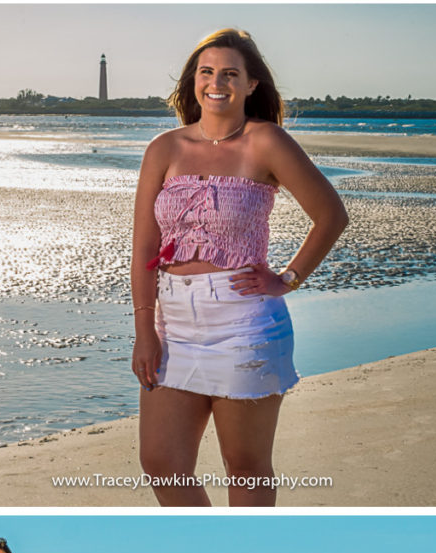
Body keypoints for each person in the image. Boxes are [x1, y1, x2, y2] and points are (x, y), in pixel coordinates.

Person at [131, 29, 348, 507]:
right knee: (162, 462)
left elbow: (331, 215)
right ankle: (206, 549)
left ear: (251, 85)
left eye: (230, 73)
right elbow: (145, 244)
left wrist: (288, 278)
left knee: (245, 468)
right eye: (206, 72)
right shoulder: (163, 149)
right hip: (174, 324)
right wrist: (145, 329)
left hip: (244, 320)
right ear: (193, 82)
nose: (216, 82)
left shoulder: (266, 141)